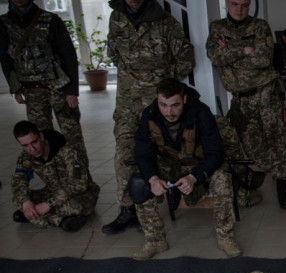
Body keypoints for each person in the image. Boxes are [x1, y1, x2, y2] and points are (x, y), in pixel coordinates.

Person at [207, 0, 286, 211]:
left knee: (276, 142)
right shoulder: (217, 28)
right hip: (241, 98)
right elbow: (215, 56)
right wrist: (244, 49)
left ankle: (282, 190)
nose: (240, 8)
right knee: (252, 148)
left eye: (244, 4)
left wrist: (232, 52)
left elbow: (263, 59)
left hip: (266, 93)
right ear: (227, 3)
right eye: (235, 3)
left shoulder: (260, 26)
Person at [103, 0, 194, 235]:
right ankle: (127, 210)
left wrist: (160, 80)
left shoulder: (164, 22)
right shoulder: (117, 18)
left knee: (160, 154)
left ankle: (163, 198)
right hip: (126, 103)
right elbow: (113, 53)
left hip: (157, 106)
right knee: (124, 154)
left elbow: (186, 59)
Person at [131, 78, 239, 260]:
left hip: (198, 164)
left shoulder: (201, 112)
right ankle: (155, 240)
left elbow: (216, 153)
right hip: (168, 164)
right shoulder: (149, 114)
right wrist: (152, 178)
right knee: (139, 183)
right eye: (163, 105)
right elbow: (143, 153)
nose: (169, 112)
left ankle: (225, 237)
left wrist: (194, 177)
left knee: (222, 180)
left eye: (175, 105)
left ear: (185, 100)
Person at [0, 0, 87, 150]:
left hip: (59, 86)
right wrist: (15, 88)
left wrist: (72, 91)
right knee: (40, 139)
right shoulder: (3, 23)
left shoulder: (51, 19)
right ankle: (53, 172)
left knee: (73, 136)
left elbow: (68, 55)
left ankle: (79, 172)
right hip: (31, 90)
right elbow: (5, 58)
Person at [11, 120, 99, 231]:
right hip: (52, 193)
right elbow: (18, 181)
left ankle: (35, 216)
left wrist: (49, 204)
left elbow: (79, 185)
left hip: (80, 194)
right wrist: (26, 202)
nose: (32, 149)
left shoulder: (68, 151)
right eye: (25, 145)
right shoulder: (26, 156)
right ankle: (61, 221)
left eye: (34, 142)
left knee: (73, 206)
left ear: (41, 136)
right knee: (17, 198)